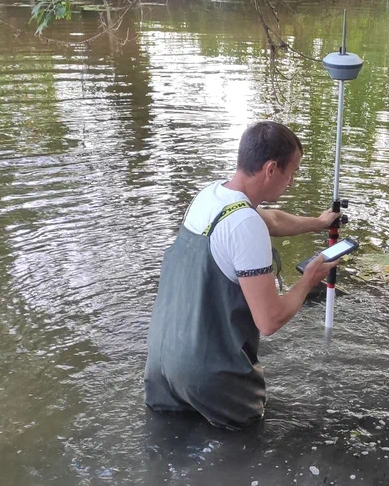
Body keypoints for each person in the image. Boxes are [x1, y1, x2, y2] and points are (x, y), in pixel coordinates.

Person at [144, 121, 339, 430]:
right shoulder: (246, 225)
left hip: (162, 365)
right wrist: (308, 280)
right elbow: (270, 321)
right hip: (209, 377)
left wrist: (319, 222)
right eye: (292, 172)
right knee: (252, 442)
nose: (292, 182)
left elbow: (274, 220)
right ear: (271, 168)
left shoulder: (210, 196)